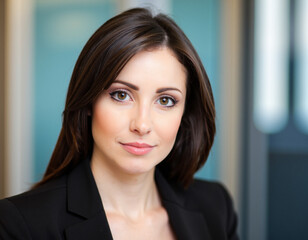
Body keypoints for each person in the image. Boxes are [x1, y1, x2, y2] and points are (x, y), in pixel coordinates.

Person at [0, 8, 239, 240]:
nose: (142, 124)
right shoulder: (21, 224)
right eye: (121, 95)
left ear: (185, 113)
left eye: (166, 100)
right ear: (88, 103)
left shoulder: (216, 207)